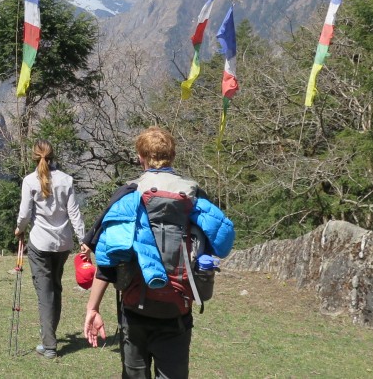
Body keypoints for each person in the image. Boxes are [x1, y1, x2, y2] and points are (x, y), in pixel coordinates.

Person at [83, 126, 230, 378]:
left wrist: (92, 309)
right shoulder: (194, 194)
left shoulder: (130, 194)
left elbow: (108, 262)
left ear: (141, 157)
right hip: (177, 312)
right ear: (171, 156)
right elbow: (217, 242)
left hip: (134, 311)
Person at [15, 140, 87, 359]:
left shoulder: (30, 181)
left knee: (44, 292)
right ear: (53, 156)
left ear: (34, 157)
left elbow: (25, 214)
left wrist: (19, 229)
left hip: (40, 243)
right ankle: (49, 335)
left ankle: (49, 345)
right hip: (63, 243)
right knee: (56, 287)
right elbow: (74, 212)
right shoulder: (66, 180)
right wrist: (83, 239)